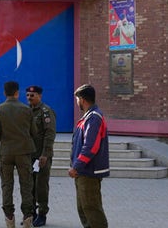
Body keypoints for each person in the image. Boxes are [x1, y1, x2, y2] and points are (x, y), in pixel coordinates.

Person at [0, 81, 37, 228]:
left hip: (6, 152)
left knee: (7, 185)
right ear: (17, 92)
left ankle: (9, 219)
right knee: (26, 185)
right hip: (23, 152)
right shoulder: (26, 110)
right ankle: (28, 217)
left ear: (5, 93)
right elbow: (34, 132)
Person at [69, 84, 109, 228]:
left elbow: (91, 147)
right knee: (84, 208)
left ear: (82, 99)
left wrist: (76, 166)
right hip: (83, 171)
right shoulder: (88, 117)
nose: (77, 102)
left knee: (92, 209)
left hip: (89, 172)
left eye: (77, 99)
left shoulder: (94, 118)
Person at [25, 85, 57, 227]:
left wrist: (45, 154)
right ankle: (32, 214)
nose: (29, 98)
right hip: (29, 155)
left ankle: (42, 214)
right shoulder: (27, 111)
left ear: (39, 96)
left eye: (32, 95)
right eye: (27, 95)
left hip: (41, 156)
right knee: (29, 185)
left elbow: (49, 134)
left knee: (41, 186)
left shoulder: (45, 112)